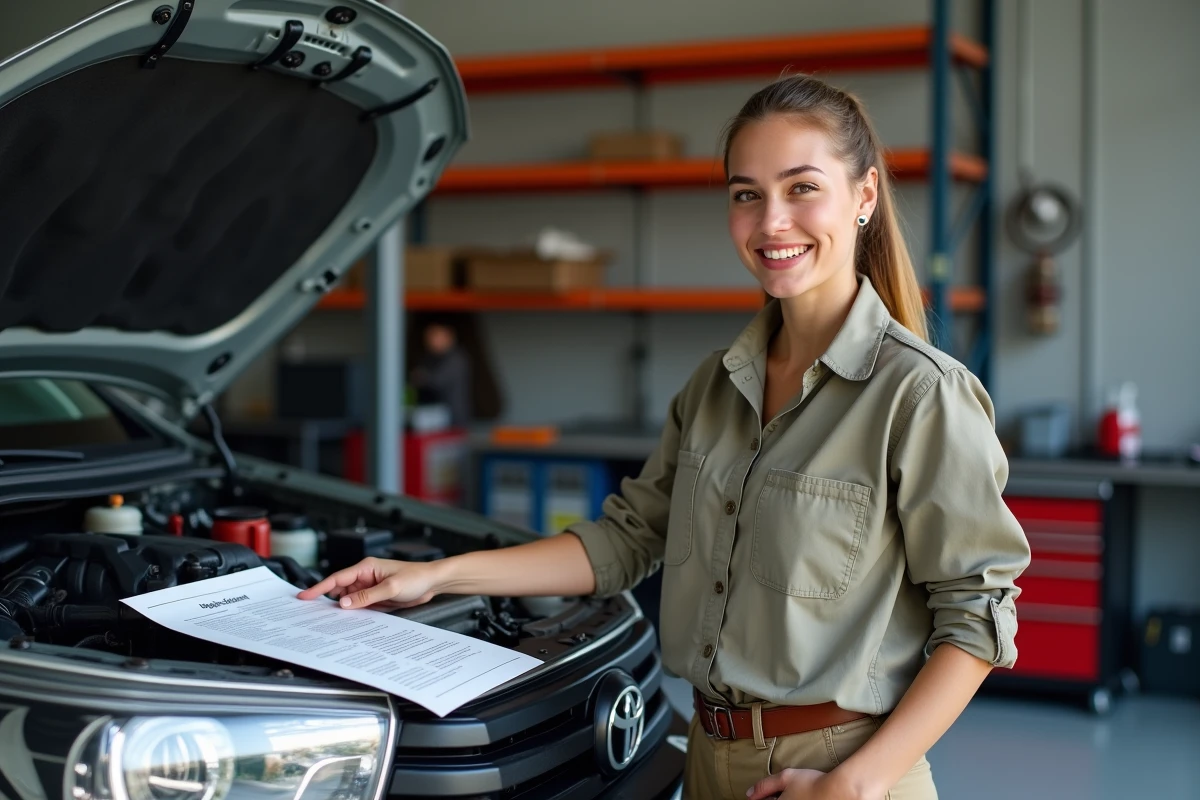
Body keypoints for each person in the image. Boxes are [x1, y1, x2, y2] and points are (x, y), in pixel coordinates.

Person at [300, 73, 1031, 800]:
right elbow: (624, 542)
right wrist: (435, 576)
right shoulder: (716, 385)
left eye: (801, 187)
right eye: (747, 194)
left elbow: (977, 618)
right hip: (705, 756)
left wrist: (857, 783)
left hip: (838, 770)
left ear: (864, 196)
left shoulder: (921, 394)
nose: (772, 221)